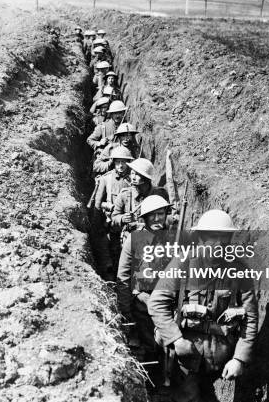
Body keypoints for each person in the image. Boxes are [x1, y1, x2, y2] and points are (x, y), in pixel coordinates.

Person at [148, 210, 259, 401]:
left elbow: (250, 318)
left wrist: (239, 359)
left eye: (223, 237)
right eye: (210, 236)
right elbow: (157, 302)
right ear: (200, 237)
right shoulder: (183, 263)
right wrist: (176, 340)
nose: (217, 243)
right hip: (186, 354)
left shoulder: (240, 270)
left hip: (221, 359)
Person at [117, 195, 172, 360]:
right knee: (148, 346)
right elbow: (124, 277)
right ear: (145, 218)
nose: (157, 219)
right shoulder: (134, 240)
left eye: (161, 214)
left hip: (168, 303)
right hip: (142, 303)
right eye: (152, 215)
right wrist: (126, 312)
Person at [93, 146, 134, 280]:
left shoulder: (133, 179)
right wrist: (108, 207)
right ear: (113, 163)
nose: (121, 166)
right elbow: (97, 204)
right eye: (118, 162)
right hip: (111, 222)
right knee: (111, 248)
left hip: (129, 222)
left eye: (124, 162)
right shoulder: (107, 179)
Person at [111, 158, 169, 243]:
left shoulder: (160, 194)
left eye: (137, 174)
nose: (133, 177)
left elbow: (170, 216)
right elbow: (114, 217)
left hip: (155, 239)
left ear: (146, 178)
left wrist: (161, 222)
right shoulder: (125, 195)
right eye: (132, 173)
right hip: (132, 240)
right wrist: (123, 218)